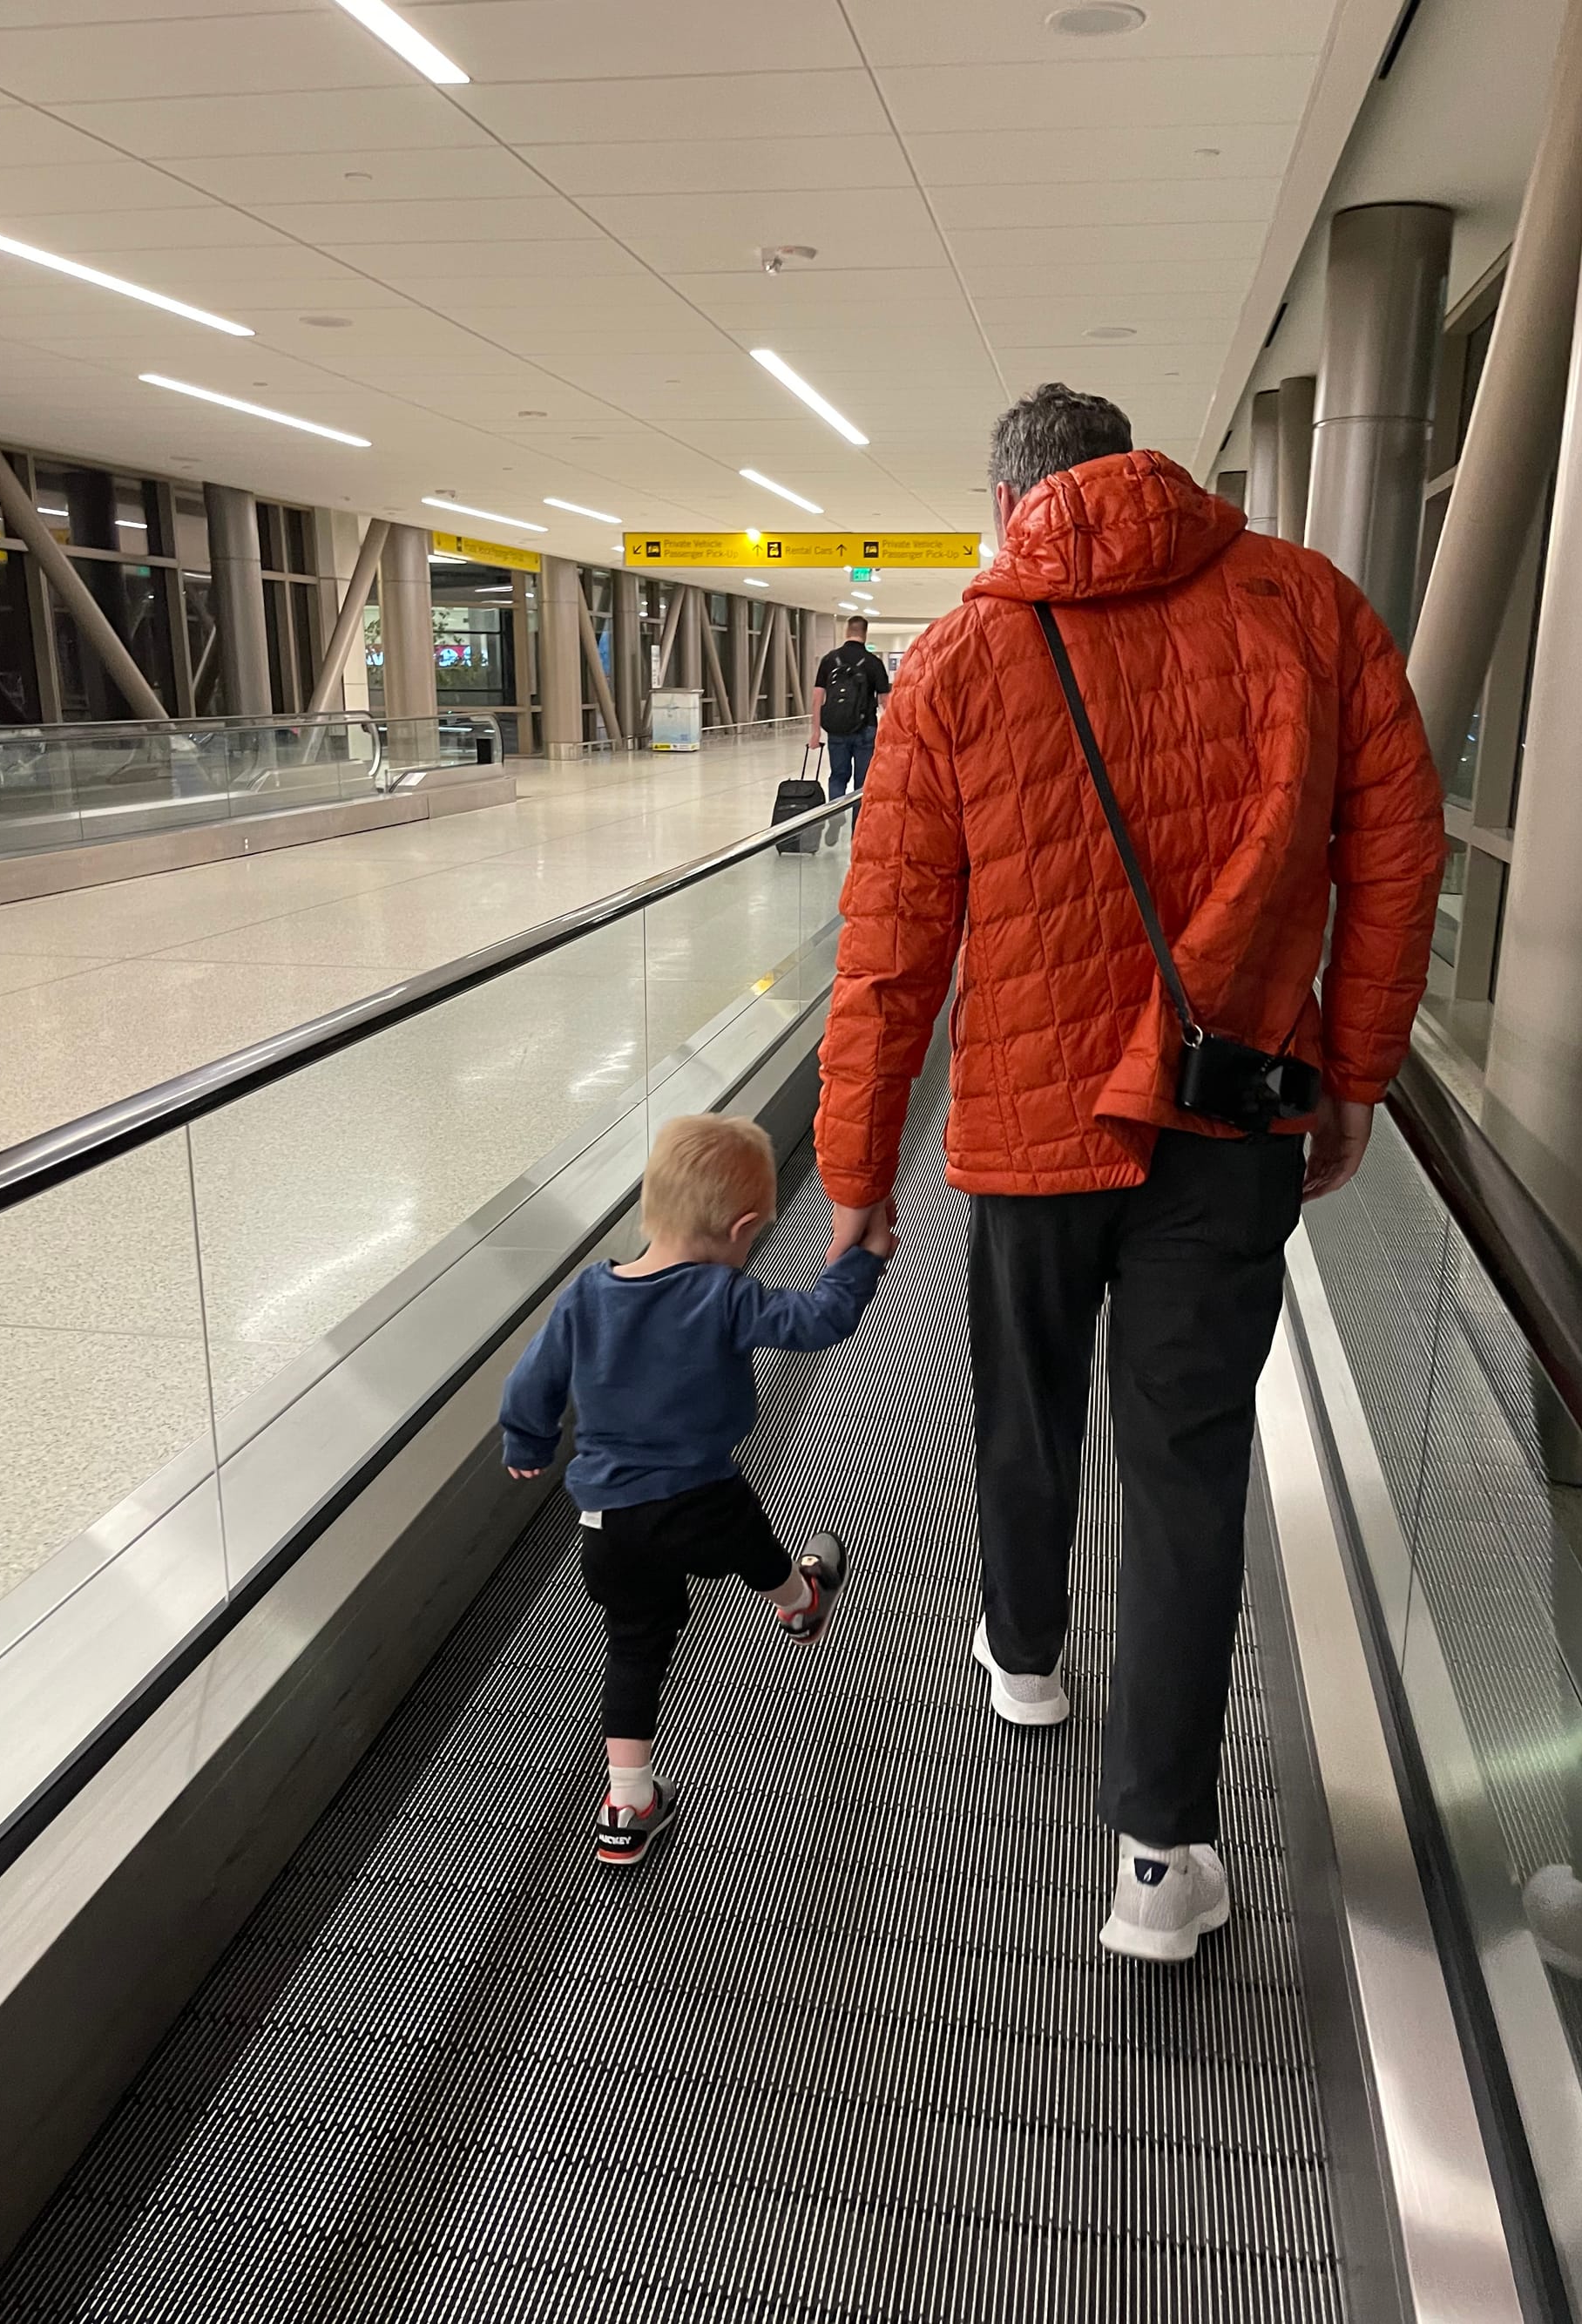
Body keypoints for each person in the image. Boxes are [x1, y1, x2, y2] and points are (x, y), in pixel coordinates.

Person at [815, 382, 1443, 1962]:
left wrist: (857, 1161)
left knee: (1025, 1398)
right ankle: (1162, 1856)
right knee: (1185, 1467)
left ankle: (1026, 1651)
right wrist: (1355, 1074)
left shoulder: (959, 658)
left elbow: (891, 947)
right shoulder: (1310, 609)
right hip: (1228, 1124)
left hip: (1029, 1131)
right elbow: (1397, 854)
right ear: (1138, 469)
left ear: (1009, 502)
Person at [501, 1114, 892, 1867]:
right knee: (753, 1543)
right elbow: (818, 1320)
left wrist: (528, 1442)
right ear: (742, 1229)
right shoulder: (722, 1294)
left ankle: (627, 1803)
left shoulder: (586, 1295)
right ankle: (799, 1601)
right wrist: (862, 1260)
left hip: (608, 1521)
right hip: (703, 1500)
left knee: (634, 1644)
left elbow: (532, 1381)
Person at [810, 614, 891, 843]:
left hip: (836, 730)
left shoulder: (830, 660)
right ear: (865, 633)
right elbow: (885, 702)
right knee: (862, 783)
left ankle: (835, 816)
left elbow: (817, 697)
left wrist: (815, 732)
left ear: (847, 631)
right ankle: (858, 833)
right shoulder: (873, 662)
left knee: (837, 777)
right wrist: (892, 733)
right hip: (866, 730)